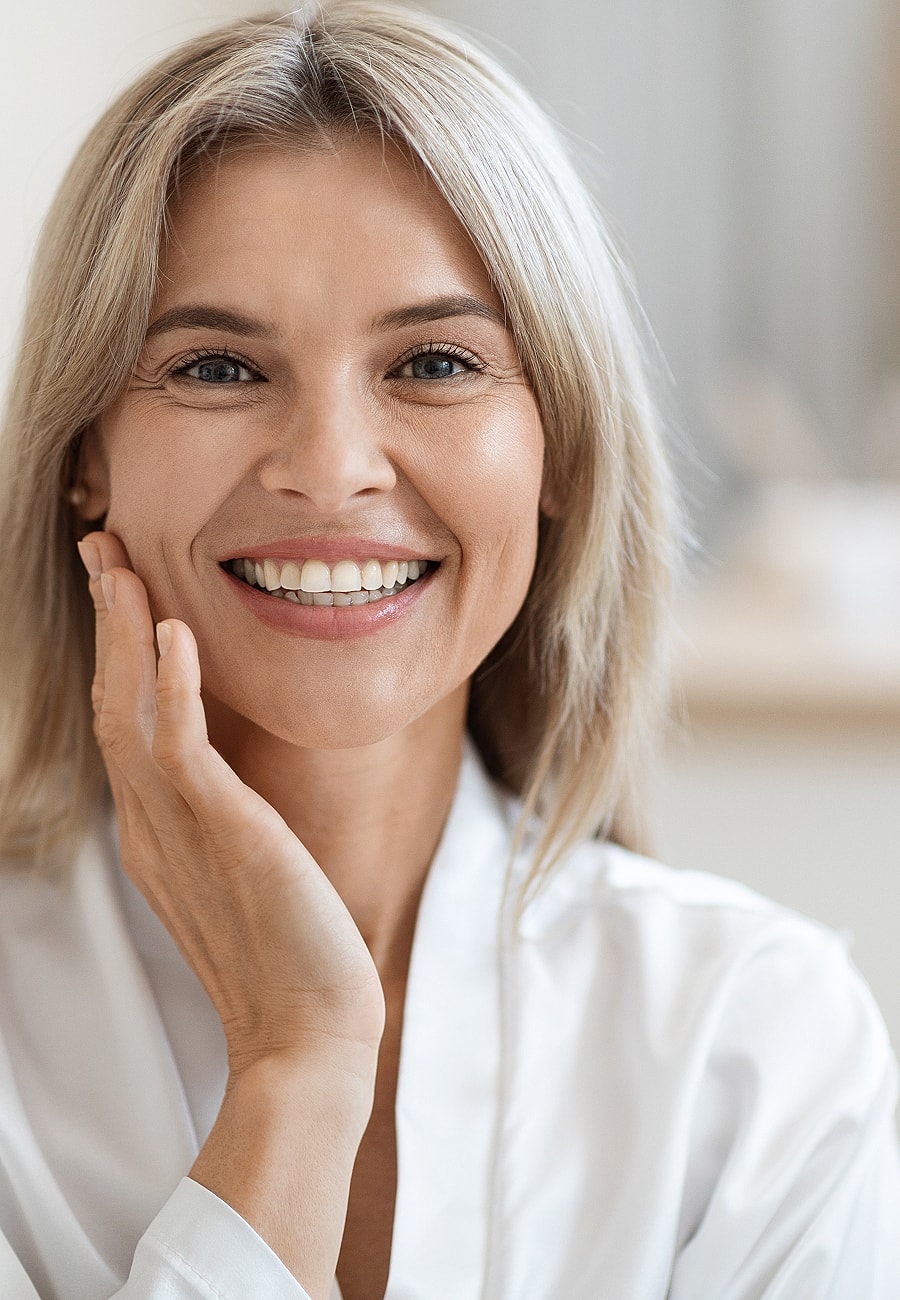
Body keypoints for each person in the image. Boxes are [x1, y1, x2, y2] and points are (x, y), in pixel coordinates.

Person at [0, 3, 898, 1297]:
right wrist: (297, 1069)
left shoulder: (755, 1052)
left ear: (557, 452)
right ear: (85, 460)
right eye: (214, 367)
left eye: (431, 361)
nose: (329, 470)